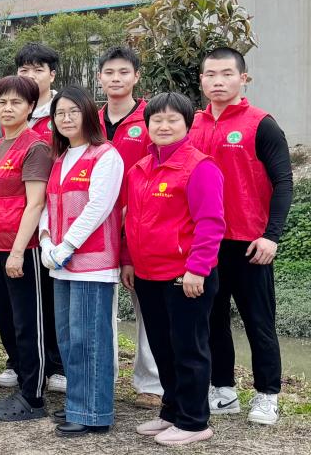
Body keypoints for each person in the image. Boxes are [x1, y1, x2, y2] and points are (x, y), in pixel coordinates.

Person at [191, 47, 293, 426]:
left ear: (243, 78)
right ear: (201, 80)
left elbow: (284, 182)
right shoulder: (193, 124)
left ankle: (267, 395)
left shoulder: (261, 124)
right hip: (207, 242)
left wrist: (271, 236)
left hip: (251, 244)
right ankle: (224, 390)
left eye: (227, 74)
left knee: (258, 322)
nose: (218, 81)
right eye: (210, 74)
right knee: (212, 320)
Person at [121, 92, 225, 446]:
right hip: (147, 274)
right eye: (157, 120)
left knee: (188, 348)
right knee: (162, 347)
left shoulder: (200, 167)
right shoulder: (140, 169)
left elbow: (211, 223)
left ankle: (194, 421)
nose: (163, 126)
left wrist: (198, 269)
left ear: (187, 124)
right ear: (147, 125)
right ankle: (172, 411)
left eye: (172, 120)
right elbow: (132, 220)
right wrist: (129, 259)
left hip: (185, 276)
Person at [40, 86, 124, 437]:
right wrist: (46, 240)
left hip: (93, 263)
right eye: (60, 113)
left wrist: (67, 245)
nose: (66, 118)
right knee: (68, 338)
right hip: (60, 262)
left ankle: (94, 412)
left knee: (90, 338)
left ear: (89, 114)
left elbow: (98, 206)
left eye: (73, 111)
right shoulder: (61, 157)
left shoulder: (105, 155)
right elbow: (49, 204)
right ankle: (78, 402)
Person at [0, 75, 59, 421]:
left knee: (30, 323)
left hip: (23, 250)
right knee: (7, 319)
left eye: (16, 102)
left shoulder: (36, 147)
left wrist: (17, 251)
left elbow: (35, 203)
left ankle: (34, 395)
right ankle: (24, 380)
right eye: (2, 102)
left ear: (30, 107)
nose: (7, 108)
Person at [97, 46, 161, 408]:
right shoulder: (89, 120)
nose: (116, 78)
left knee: (147, 306)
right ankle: (102, 375)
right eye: (109, 72)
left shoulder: (151, 118)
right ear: (100, 77)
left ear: (137, 76)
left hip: (140, 226)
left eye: (124, 72)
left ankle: (151, 382)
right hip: (96, 227)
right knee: (98, 307)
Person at [15, 42, 59, 143]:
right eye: (24, 70)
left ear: (52, 75)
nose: (30, 76)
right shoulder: (5, 114)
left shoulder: (64, 112)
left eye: (38, 70)